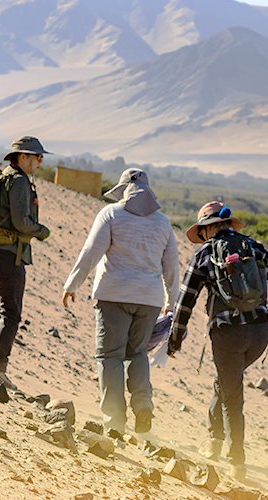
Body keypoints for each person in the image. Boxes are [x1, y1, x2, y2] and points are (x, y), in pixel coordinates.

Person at [165, 201, 268, 481]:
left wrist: (175, 340)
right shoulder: (254, 248)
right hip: (260, 333)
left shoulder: (204, 254)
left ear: (207, 229)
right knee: (226, 382)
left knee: (232, 395)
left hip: (227, 333)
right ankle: (214, 440)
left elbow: (185, 302)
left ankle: (237, 461)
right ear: (229, 224)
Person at [61, 168, 179, 434]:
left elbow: (91, 251)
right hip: (149, 299)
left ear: (124, 190)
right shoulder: (163, 223)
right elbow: (172, 266)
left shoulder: (111, 214)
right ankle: (143, 404)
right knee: (137, 353)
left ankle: (114, 420)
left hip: (113, 295)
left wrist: (72, 284)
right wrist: (172, 302)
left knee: (110, 356)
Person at [0, 136, 53, 387]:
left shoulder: (5, 177)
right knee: (11, 314)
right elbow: (20, 222)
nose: (40, 161)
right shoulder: (18, 181)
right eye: (37, 157)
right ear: (22, 157)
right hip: (7, 254)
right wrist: (42, 231)